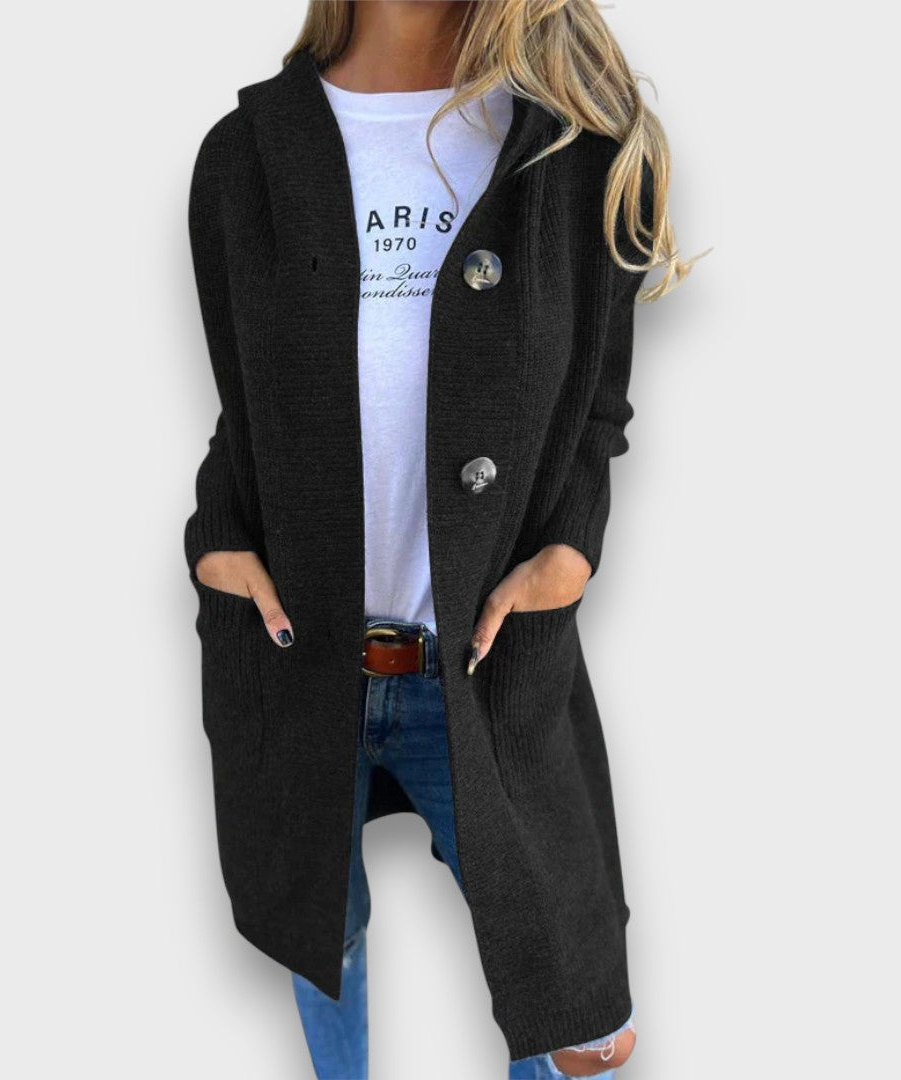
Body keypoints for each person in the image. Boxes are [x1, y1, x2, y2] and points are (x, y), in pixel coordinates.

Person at [184, 1, 700, 1076]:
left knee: (584, 1029)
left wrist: (573, 549)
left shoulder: (578, 153)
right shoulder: (246, 158)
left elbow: (598, 409)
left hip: (487, 666)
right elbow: (242, 407)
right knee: (322, 933)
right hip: (297, 660)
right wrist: (217, 537)